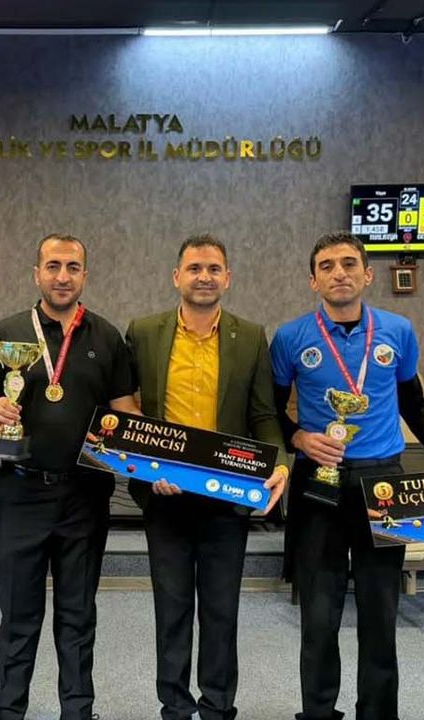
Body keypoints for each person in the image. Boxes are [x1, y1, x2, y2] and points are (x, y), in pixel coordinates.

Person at [269, 232, 424, 720]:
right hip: (318, 481)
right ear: (312, 280)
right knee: (319, 614)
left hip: (383, 483)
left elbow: (413, 402)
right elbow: (270, 411)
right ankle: (318, 713)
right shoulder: (291, 337)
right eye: (326, 266)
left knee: (380, 610)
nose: (338, 273)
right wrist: (299, 439)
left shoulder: (397, 331)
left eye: (348, 263)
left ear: (366, 274)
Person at [0, 233, 139, 720]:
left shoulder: (107, 337)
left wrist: (154, 454)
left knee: (78, 617)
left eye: (72, 267)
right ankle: (8, 712)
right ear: (37, 273)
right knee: (17, 620)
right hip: (19, 493)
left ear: (85, 275)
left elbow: (126, 410)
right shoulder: (8, 330)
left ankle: (78, 712)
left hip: (84, 497)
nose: (62, 276)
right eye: (52, 266)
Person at [124, 234, 291, 720]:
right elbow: (126, 408)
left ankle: (218, 707)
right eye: (195, 268)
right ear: (176, 276)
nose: (204, 276)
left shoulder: (251, 336)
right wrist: (146, 467)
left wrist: (280, 462)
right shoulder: (144, 332)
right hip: (165, 495)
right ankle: (174, 708)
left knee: (221, 611)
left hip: (226, 496)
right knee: (171, 610)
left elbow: (263, 415)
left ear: (228, 278)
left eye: (214, 269)